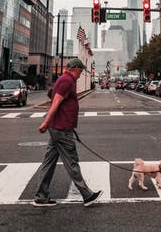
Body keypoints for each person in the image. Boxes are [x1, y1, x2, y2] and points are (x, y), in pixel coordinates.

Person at [33, 57, 102, 208]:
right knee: (72, 162)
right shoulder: (67, 81)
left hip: (58, 127)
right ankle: (87, 195)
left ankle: (41, 196)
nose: (80, 73)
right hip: (61, 129)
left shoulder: (65, 80)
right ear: (75, 69)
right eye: (80, 70)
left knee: (48, 162)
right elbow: (56, 102)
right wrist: (45, 122)